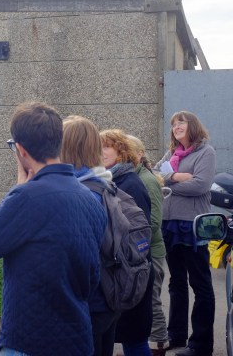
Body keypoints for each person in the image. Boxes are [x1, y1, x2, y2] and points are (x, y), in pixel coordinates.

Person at [0, 104, 106, 356]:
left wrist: (16, 188)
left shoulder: (26, 196)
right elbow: (91, 278)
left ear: (21, 150)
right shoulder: (90, 197)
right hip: (77, 338)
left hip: (29, 341)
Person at [154, 111, 216, 356]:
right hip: (169, 225)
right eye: (173, 124)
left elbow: (200, 184)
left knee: (200, 285)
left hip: (192, 226)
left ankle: (201, 344)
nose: (176, 126)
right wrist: (176, 176)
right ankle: (176, 335)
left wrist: (168, 185)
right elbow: (156, 175)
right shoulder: (171, 154)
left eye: (181, 122)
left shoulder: (205, 152)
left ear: (193, 126)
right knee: (176, 282)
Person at [61, 115, 116, 356]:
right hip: (108, 298)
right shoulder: (104, 182)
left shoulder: (78, 192)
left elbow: (77, 261)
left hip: (88, 304)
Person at [100, 129, 154, 356]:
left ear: (120, 151)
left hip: (131, 273)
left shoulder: (129, 183)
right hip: (124, 273)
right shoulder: (114, 179)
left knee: (135, 341)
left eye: (107, 146)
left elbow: (138, 233)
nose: (101, 152)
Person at [126, 134, 168, 355]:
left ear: (140, 154)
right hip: (143, 251)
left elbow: (153, 222)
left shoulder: (147, 181)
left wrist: (131, 239)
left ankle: (159, 343)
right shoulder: (136, 177)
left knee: (151, 299)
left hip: (151, 251)